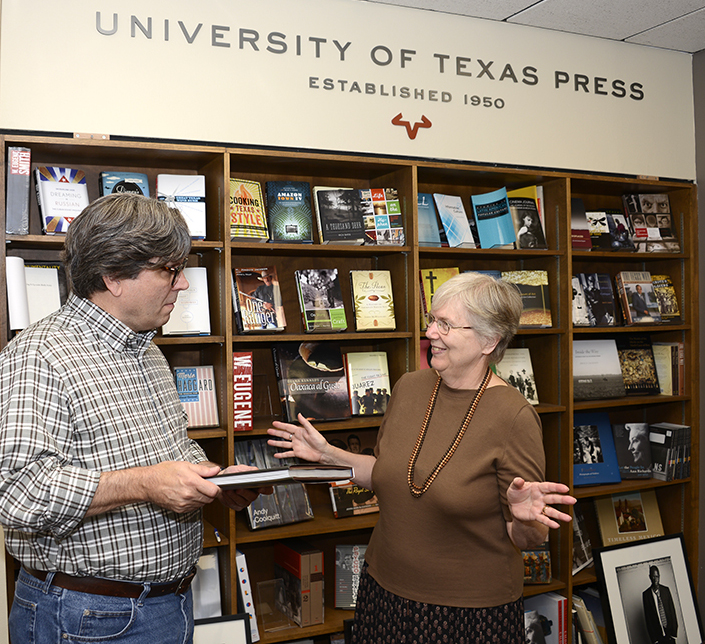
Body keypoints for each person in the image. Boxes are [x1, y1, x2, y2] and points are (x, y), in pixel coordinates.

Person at [0, 193, 266, 644]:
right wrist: (145, 484)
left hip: (163, 603)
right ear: (113, 276)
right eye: (169, 270)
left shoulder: (147, 352)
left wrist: (214, 482)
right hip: (89, 618)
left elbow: (167, 452)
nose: (182, 284)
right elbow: (17, 493)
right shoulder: (40, 356)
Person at [267, 272, 576, 643]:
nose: (430, 333)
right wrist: (327, 454)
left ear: (488, 340)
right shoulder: (409, 387)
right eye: (432, 320)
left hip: (466, 614)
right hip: (383, 593)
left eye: (445, 324)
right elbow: (388, 474)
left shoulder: (514, 417)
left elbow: (525, 536)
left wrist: (529, 521)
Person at [642, 565, 678, 643]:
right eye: (653, 577)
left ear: (659, 576)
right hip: (658, 638)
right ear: (649, 577)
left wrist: (674, 634)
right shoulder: (646, 595)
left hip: (670, 635)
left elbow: (672, 612)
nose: (655, 579)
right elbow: (648, 620)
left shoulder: (666, 590)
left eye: (657, 576)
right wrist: (654, 640)